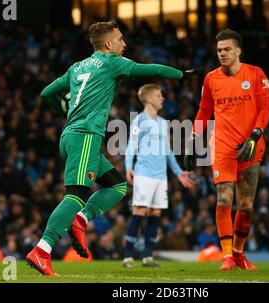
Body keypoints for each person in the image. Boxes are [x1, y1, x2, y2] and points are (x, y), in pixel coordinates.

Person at [25, 21, 188, 276]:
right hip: (86, 137)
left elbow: (47, 93)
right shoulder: (113, 63)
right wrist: (181, 74)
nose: (125, 44)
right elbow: (151, 69)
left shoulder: (77, 67)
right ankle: (42, 250)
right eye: (121, 39)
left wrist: (64, 112)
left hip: (70, 136)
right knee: (76, 194)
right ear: (109, 44)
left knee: (118, 186)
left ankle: (82, 219)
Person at [183, 29, 269, 270]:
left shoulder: (255, 74)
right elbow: (203, 111)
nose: (222, 53)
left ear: (238, 51)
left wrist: (255, 135)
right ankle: (227, 257)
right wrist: (192, 140)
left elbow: (265, 109)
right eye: (219, 50)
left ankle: (239, 252)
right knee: (224, 198)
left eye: (227, 49)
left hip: (251, 146)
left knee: (246, 205)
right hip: (222, 145)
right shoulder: (211, 78)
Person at [123, 84, 195, 268]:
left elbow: (168, 151)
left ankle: (147, 257)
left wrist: (178, 173)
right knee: (139, 212)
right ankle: (128, 257)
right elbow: (132, 144)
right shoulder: (139, 120)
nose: (162, 98)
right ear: (147, 98)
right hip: (144, 174)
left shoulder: (163, 123)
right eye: (158, 95)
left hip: (161, 177)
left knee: (155, 214)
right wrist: (128, 167)